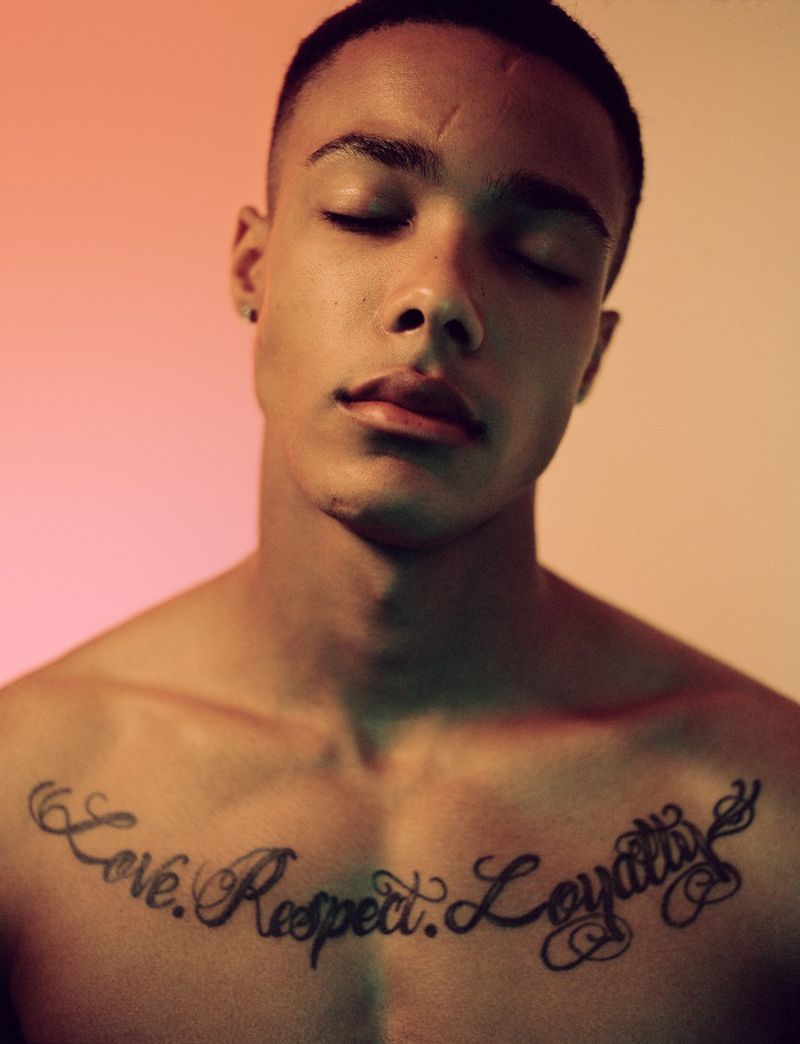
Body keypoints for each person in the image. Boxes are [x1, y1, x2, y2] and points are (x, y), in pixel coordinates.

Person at [1, 0, 798, 1040]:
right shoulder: (24, 795)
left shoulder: (769, 819)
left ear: (591, 357)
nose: (438, 296)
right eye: (367, 213)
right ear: (253, 268)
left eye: (539, 257)